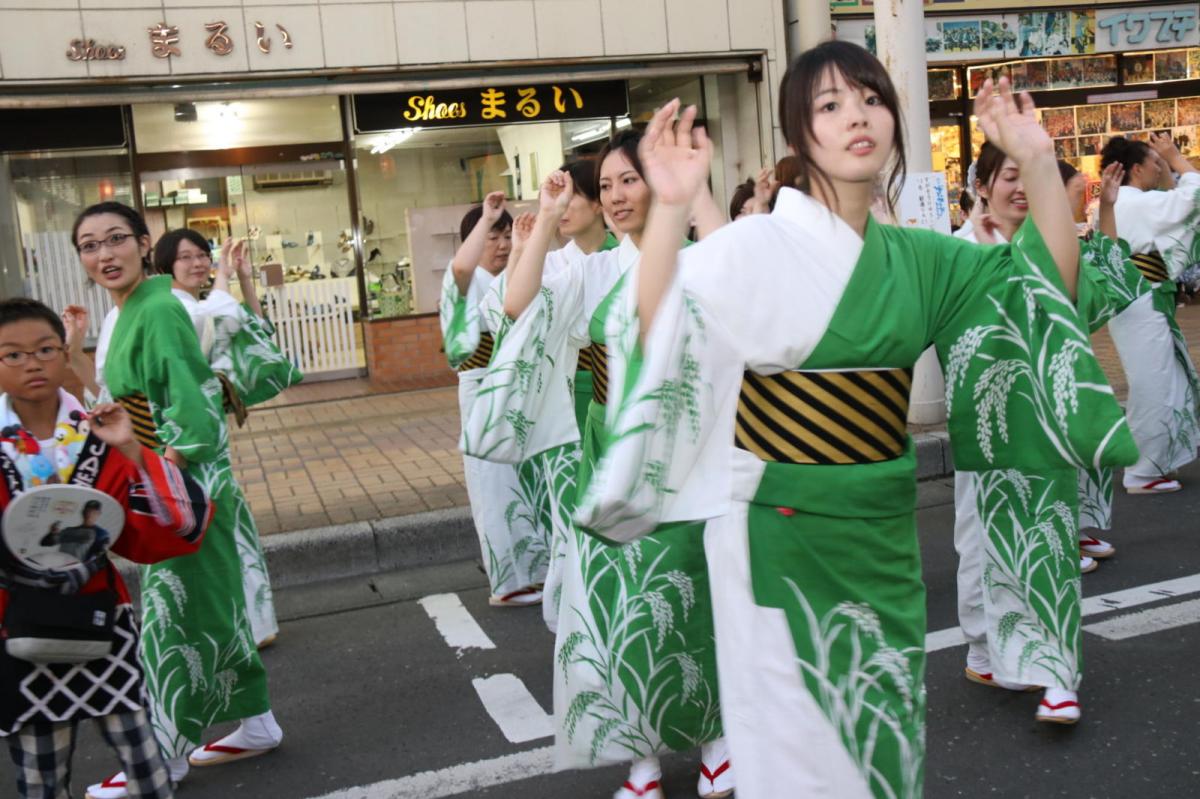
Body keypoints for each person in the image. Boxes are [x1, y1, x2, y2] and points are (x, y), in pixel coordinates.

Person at [573, 42, 1135, 798]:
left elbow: (1042, 291)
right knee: (799, 766)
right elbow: (655, 327)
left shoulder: (921, 258)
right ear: (799, 136)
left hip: (881, 533)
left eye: (871, 99)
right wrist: (672, 207)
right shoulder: (756, 245)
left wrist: (1036, 159)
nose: (857, 117)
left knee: (881, 756)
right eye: (830, 105)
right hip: (775, 532)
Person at [463, 131, 732, 799]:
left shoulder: (700, 260)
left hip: (686, 458)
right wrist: (548, 219)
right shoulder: (595, 269)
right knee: (619, 611)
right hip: (608, 460)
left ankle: (718, 740)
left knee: (693, 601)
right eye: (605, 184)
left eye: (627, 180)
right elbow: (516, 303)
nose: (614, 196)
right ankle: (638, 758)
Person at [65, 202, 284, 799]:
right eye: (89, 245)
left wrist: (160, 484)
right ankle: (258, 723)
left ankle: (162, 759)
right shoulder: (137, 307)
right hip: (174, 479)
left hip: (183, 489)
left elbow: (193, 413)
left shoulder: (157, 308)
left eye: (116, 240)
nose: (104, 254)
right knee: (213, 611)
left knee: (170, 624)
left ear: (142, 243)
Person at [0, 296, 213, 799]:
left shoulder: (97, 434)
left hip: (101, 618)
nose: (32, 362)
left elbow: (173, 531)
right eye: (12, 354)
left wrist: (134, 448)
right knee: (40, 775)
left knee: (147, 770)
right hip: (17, 624)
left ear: (65, 351)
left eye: (45, 349)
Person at [147, 228, 302, 646]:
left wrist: (244, 278)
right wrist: (224, 276)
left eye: (203, 255)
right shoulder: (173, 307)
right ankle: (236, 624)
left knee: (223, 525)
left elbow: (255, 330)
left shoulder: (191, 304)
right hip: (184, 436)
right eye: (186, 257)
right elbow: (224, 318)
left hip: (205, 433)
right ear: (164, 265)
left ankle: (248, 623)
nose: (198, 263)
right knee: (211, 526)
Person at [443, 195, 545, 607]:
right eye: (491, 236)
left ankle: (534, 572)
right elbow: (460, 267)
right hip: (484, 390)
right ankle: (508, 581)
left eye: (505, 235)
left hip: (518, 392)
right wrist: (485, 216)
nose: (501, 244)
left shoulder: (508, 277)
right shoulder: (465, 283)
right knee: (495, 486)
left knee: (523, 483)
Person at [1100, 134, 1200, 493]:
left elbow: (1174, 204)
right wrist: (1176, 158)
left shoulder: (1133, 202)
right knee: (1152, 383)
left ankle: (1153, 463)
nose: (1160, 167)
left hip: (1141, 298)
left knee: (1163, 379)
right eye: (1154, 162)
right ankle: (1141, 470)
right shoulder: (1134, 203)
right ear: (1137, 169)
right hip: (1141, 299)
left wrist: (1170, 166)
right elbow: (1192, 197)